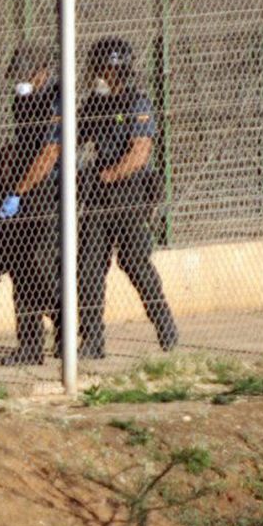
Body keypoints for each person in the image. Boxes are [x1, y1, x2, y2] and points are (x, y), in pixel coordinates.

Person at [78, 37, 178, 358]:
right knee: (89, 267)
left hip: (129, 192)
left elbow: (140, 152)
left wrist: (111, 174)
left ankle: (165, 325)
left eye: (102, 68)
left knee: (134, 261)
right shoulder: (95, 103)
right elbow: (76, 138)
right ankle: (92, 340)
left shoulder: (138, 103)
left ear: (116, 69)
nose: (97, 74)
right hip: (98, 195)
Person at [0, 44, 62, 366]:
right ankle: (30, 344)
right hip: (25, 188)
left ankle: (65, 325)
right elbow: (23, 144)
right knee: (21, 265)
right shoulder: (22, 98)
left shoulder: (57, 98)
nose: (20, 82)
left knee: (41, 265)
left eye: (25, 75)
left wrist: (18, 191)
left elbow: (50, 153)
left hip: (51, 191)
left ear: (41, 72)